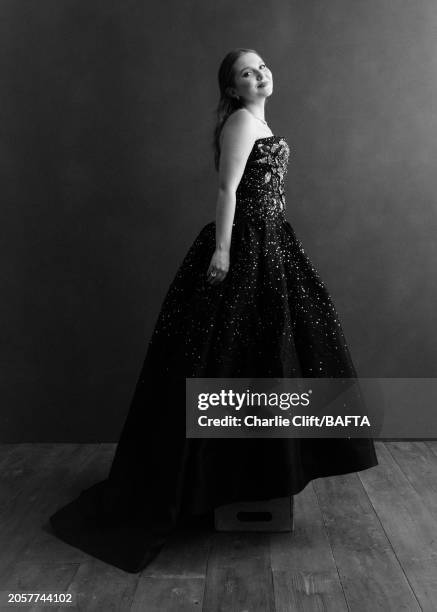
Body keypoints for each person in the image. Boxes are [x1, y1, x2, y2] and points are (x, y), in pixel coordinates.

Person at [49, 48, 378, 573]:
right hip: (245, 245)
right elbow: (226, 189)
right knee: (226, 354)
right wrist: (223, 250)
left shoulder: (259, 121)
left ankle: (254, 471)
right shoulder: (241, 123)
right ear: (232, 89)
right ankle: (212, 477)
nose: (261, 73)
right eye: (247, 71)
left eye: (263, 65)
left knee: (267, 355)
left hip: (272, 244)